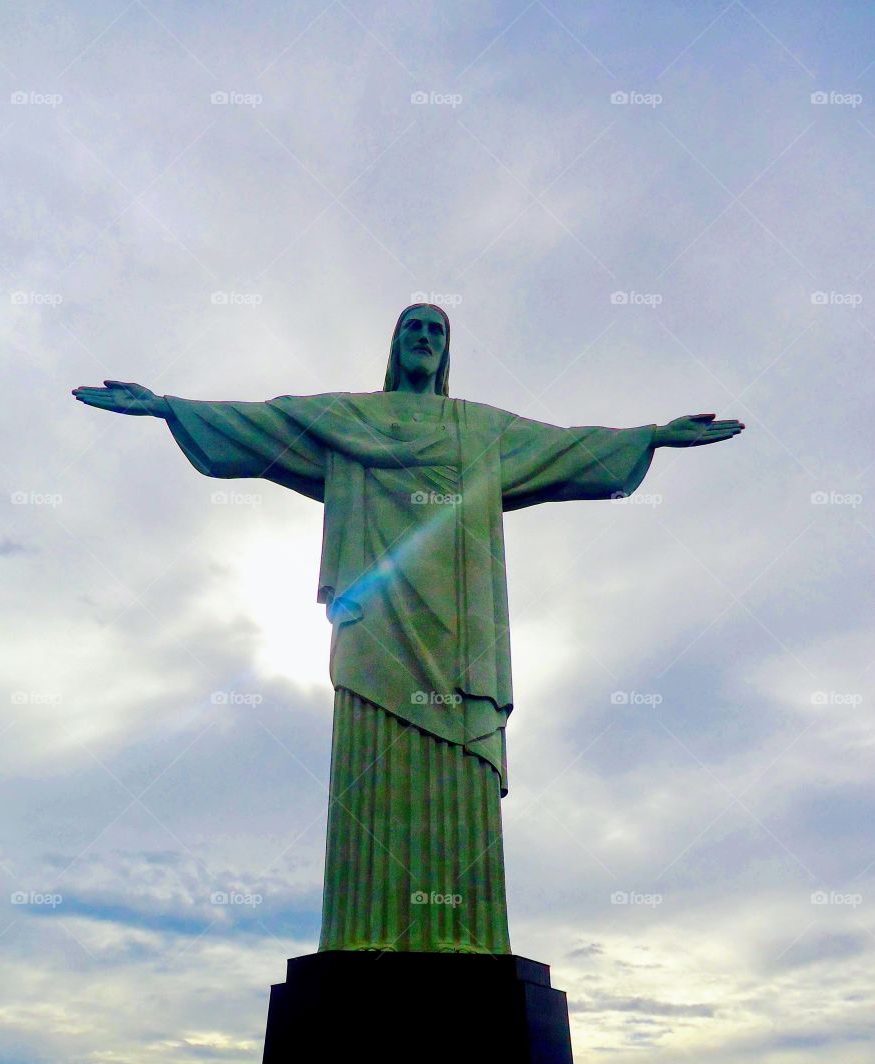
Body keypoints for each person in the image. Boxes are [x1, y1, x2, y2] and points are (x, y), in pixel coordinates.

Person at [72, 303, 744, 953]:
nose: (423, 337)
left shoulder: (481, 429)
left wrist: (651, 436)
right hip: (377, 625)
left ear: (446, 351)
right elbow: (265, 424)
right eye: (412, 328)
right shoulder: (349, 418)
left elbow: (566, 446)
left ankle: (470, 936)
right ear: (393, 345)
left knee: (456, 770)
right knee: (373, 766)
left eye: (435, 330)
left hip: (460, 635)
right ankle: (360, 931)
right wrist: (166, 406)